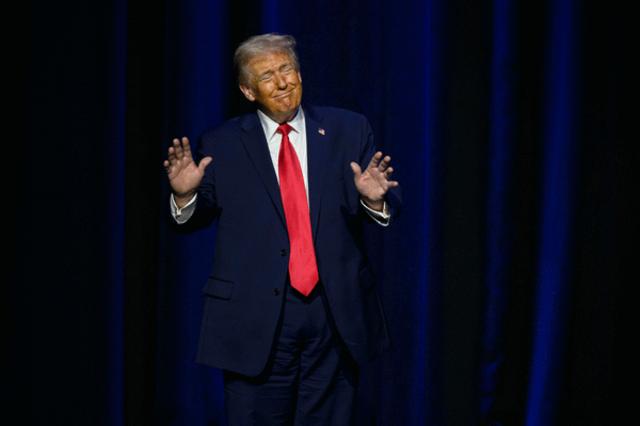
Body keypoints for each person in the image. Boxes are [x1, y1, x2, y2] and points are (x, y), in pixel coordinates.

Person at [163, 33, 401, 425]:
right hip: (255, 318)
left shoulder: (348, 129)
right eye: (267, 76)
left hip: (333, 314)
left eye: (287, 69)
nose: (282, 82)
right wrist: (185, 195)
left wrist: (373, 200)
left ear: (300, 73)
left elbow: (388, 202)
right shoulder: (222, 144)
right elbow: (192, 219)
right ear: (248, 90)